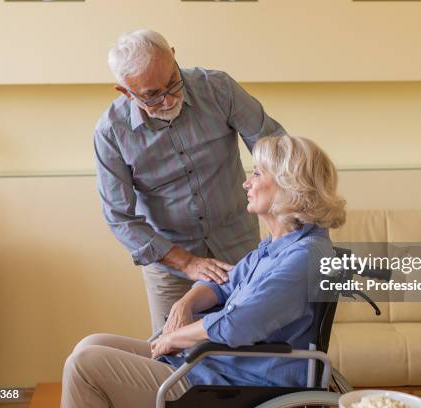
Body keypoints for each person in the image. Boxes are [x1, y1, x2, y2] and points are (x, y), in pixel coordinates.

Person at [62, 135, 346, 407]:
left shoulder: (303, 258)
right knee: (91, 344)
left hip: (239, 383)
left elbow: (239, 323)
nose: (247, 183)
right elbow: (223, 282)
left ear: (289, 185)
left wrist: (174, 337)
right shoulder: (276, 247)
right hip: (217, 365)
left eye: (257, 174)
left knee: (85, 366)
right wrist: (185, 303)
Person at [94, 29, 286, 335]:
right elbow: (119, 217)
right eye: (152, 95)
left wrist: (272, 190)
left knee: (250, 349)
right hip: (170, 265)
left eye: (172, 82)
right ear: (125, 91)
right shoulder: (111, 133)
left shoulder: (218, 88)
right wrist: (185, 263)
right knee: (172, 358)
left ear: (173, 54)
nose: (168, 99)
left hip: (238, 250)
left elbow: (274, 143)